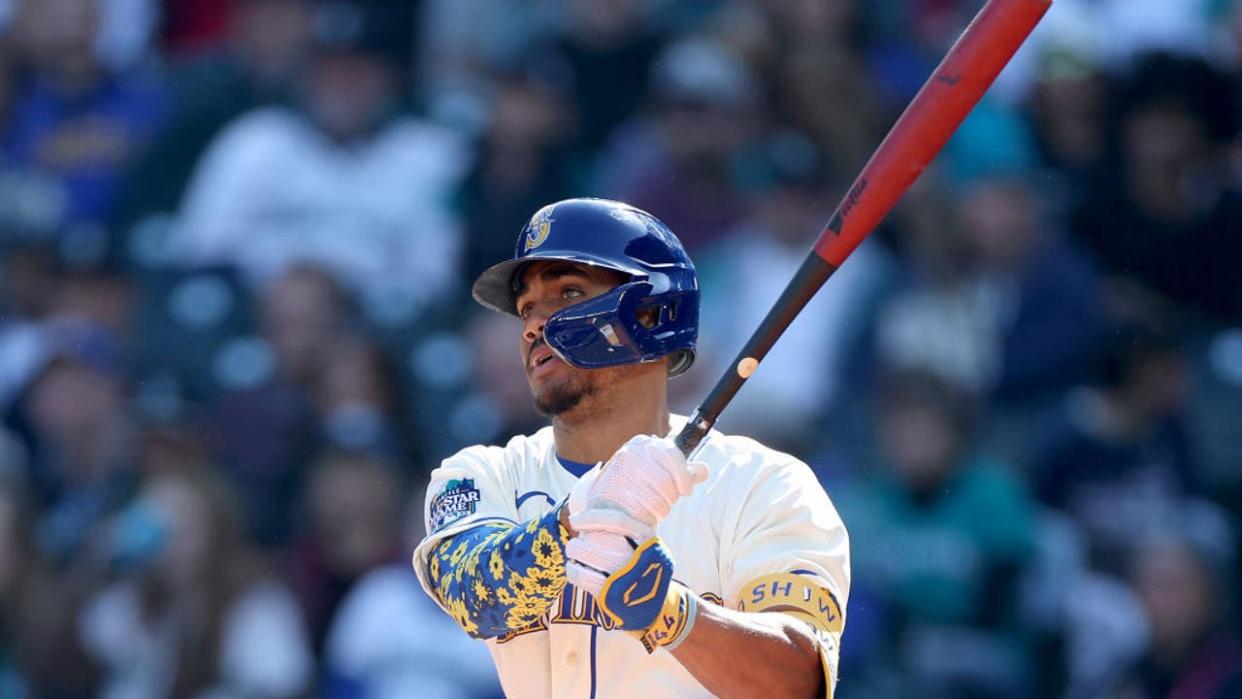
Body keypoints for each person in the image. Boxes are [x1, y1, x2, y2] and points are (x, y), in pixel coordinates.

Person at [411, 198, 849, 697]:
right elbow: (477, 599)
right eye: (527, 308)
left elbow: (798, 682)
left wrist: (670, 613)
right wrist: (575, 518)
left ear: (651, 311)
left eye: (567, 293)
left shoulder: (764, 484)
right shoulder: (482, 474)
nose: (533, 325)